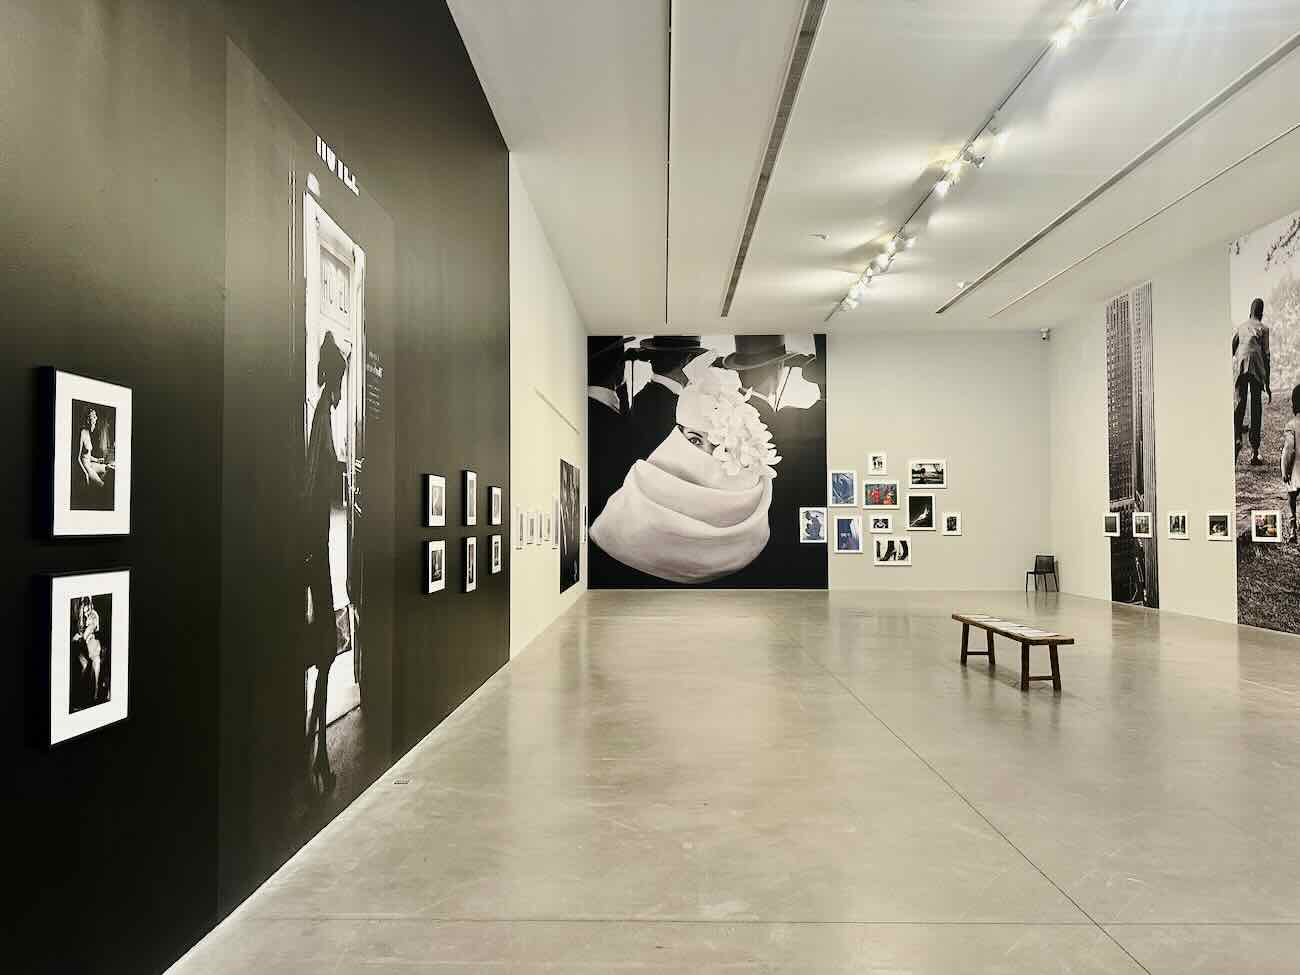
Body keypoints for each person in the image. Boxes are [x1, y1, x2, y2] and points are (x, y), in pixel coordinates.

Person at [302, 331, 347, 795]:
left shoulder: (322, 416)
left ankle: (318, 748)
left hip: (317, 546)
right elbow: (315, 488)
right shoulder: (322, 416)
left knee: (324, 651)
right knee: (324, 650)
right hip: (315, 549)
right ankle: (318, 750)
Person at [1234, 297, 1271, 465]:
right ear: (1261, 313)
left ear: (1250, 311)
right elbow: (1266, 356)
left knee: (1240, 403)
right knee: (1256, 405)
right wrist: (1267, 384)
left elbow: (1232, 347)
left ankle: (1236, 438)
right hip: (1256, 366)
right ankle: (1255, 453)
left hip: (1242, 365)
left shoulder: (1241, 327)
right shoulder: (1264, 329)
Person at [70, 596, 111, 712]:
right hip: (83, 645)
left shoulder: (93, 615)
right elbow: (81, 633)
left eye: (87, 609)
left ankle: (94, 695)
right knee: (85, 664)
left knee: (94, 662)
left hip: (91, 645)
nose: (86, 612)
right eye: (84, 610)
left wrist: (82, 637)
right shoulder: (80, 615)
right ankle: (85, 696)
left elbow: (90, 631)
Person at [1282, 385, 1300, 542]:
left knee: (1291, 499)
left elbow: (1289, 450)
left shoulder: (1291, 425)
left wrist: (1285, 471)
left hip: (1296, 472)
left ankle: (1293, 530)